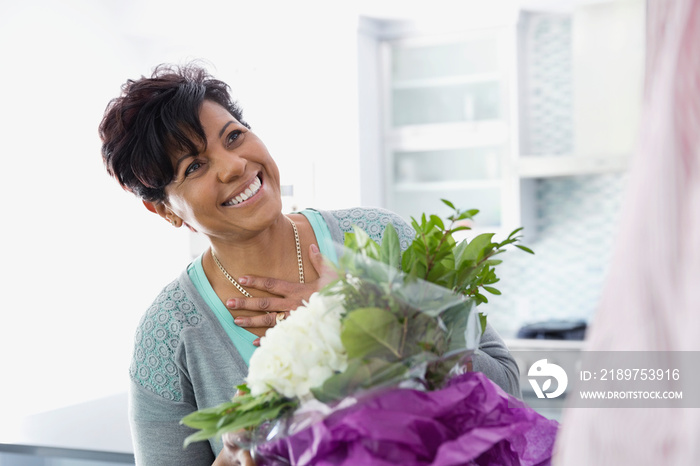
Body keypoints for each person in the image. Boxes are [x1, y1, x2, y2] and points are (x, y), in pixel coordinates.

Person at [99, 63, 521, 465]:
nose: (235, 166)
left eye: (233, 137)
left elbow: (505, 387)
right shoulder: (168, 334)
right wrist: (236, 453)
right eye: (195, 166)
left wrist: (375, 320)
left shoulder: (378, 238)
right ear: (165, 210)